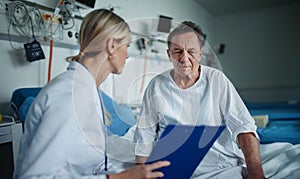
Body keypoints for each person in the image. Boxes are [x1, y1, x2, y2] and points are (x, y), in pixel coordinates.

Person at [13, 9, 170, 179]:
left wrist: (135, 172)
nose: (127, 54)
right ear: (112, 46)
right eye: (127, 46)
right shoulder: (70, 95)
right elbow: (32, 177)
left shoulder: (88, 91)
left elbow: (94, 164)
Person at [134, 21, 266, 178]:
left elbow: (244, 127)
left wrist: (256, 172)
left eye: (191, 51)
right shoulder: (156, 85)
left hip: (219, 164)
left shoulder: (216, 79)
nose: (184, 58)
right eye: (177, 51)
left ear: (200, 53)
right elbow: (145, 136)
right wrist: (140, 174)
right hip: (171, 166)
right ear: (169, 54)